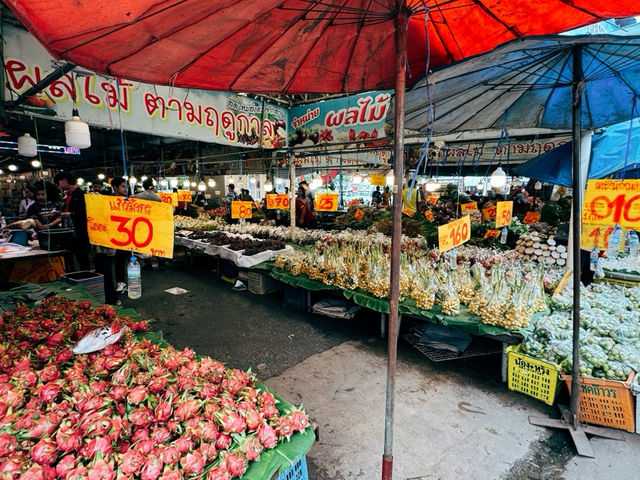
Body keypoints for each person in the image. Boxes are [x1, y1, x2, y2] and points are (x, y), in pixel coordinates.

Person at [53, 171, 91, 271]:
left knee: (82, 257)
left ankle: (86, 276)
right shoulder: (68, 196)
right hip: (69, 231)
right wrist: (59, 212)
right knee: (71, 256)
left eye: (59, 182)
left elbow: (83, 213)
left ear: (65, 180)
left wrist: (65, 214)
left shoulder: (81, 195)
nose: (59, 186)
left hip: (80, 231)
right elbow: (68, 210)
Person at [135, 178, 165, 269]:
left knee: (146, 243)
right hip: (155, 222)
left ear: (143, 186)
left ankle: (148, 264)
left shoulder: (138, 196)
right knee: (156, 242)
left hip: (142, 223)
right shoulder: (157, 197)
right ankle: (161, 262)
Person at [111, 177, 129, 293]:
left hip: (130, 235)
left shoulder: (130, 200)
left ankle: (134, 283)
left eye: (126, 186)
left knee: (132, 260)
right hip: (116, 236)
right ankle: (121, 282)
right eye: (123, 186)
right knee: (119, 260)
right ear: (115, 187)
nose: (125, 189)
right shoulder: (108, 201)